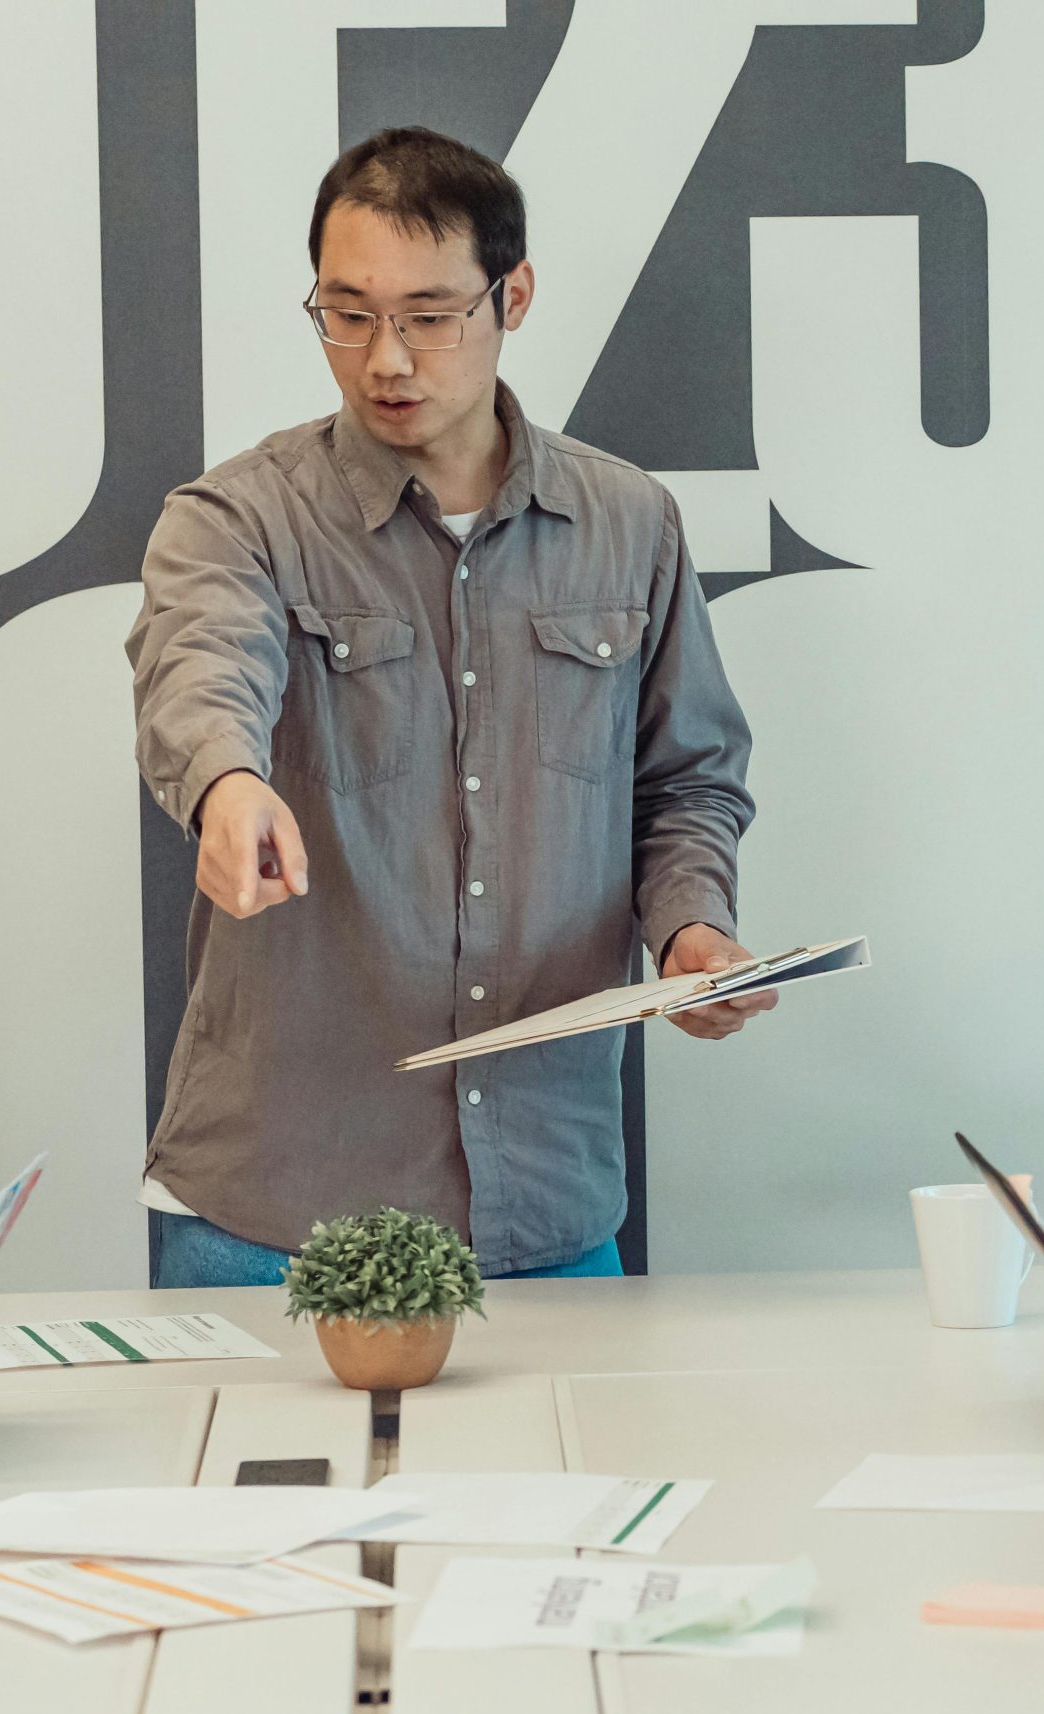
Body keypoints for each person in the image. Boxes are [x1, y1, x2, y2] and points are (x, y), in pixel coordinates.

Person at [127, 127, 772, 1288]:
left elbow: (683, 780)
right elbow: (199, 663)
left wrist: (690, 932)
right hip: (273, 1215)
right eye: (347, 311)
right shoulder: (238, 518)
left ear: (510, 295)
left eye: (430, 315)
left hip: (543, 1209)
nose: (386, 358)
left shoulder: (630, 525)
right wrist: (227, 785)